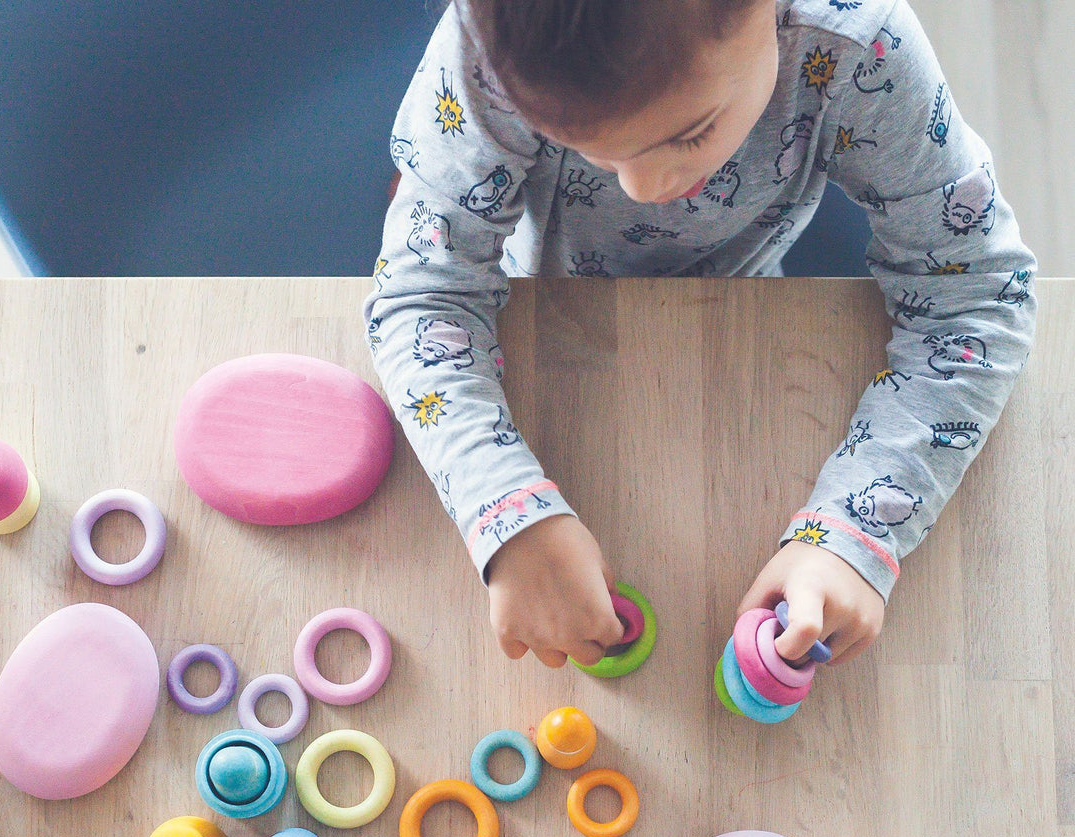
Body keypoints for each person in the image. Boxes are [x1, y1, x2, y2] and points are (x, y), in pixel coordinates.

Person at [361, 0, 1037, 668]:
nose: (644, 186)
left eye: (689, 135)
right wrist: (505, 516)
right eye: (589, 149)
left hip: (747, 310)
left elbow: (977, 296)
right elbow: (423, 295)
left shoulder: (864, 44)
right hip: (536, 309)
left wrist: (856, 532)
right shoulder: (487, 49)